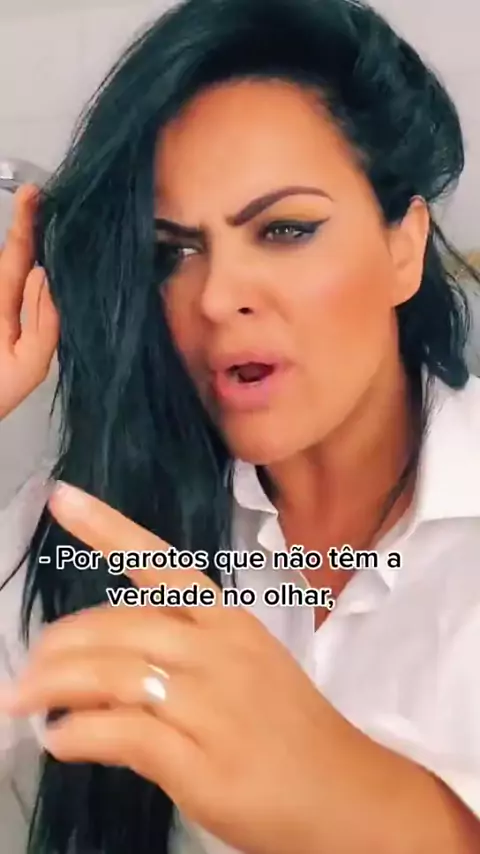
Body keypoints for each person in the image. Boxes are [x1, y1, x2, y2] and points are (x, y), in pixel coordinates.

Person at [0, 0, 480, 851]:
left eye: (285, 229)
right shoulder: (99, 521)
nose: (218, 298)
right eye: (171, 253)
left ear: (403, 248)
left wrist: (340, 790)